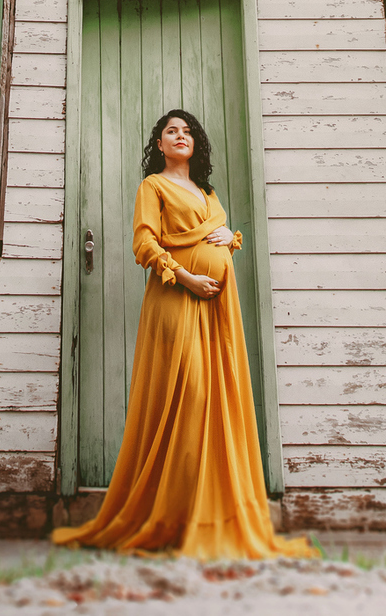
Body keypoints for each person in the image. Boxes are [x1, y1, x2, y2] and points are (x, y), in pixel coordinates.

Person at [52, 108, 313, 560]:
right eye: (171, 131)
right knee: (190, 396)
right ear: (159, 144)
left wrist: (227, 237)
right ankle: (171, 516)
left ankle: (206, 516)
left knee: (216, 400)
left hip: (217, 311)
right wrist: (187, 277)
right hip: (175, 299)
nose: (180, 135)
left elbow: (213, 233)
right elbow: (144, 243)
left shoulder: (207, 191)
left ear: (196, 144)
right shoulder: (152, 187)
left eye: (187, 131)